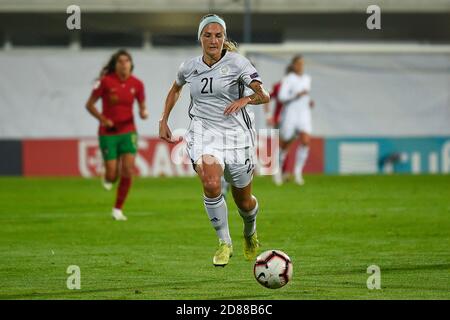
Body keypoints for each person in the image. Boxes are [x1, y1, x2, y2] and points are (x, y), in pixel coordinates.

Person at [159, 14, 270, 267]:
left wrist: (246, 99)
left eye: (218, 35)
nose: (213, 40)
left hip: (236, 136)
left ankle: (250, 231)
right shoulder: (189, 67)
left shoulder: (238, 63)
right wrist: (163, 119)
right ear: (200, 38)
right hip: (203, 134)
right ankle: (224, 242)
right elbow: (176, 88)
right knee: (211, 183)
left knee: (244, 201)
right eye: (207, 35)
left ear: (224, 38)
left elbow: (264, 95)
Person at [85, 49, 148, 221]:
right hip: (108, 133)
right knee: (112, 174)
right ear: (115, 64)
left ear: (131, 64)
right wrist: (103, 119)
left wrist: (143, 111)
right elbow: (89, 105)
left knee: (128, 169)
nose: (124, 64)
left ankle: (117, 209)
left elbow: (142, 105)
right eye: (120, 61)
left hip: (128, 131)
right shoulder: (105, 82)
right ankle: (108, 177)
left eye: (127, 61)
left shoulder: (137, 84)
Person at [274, 55, 315, 186]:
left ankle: (298, 173)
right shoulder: (288, 79)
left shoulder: (307, 79)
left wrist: (308, 101)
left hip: (304, 115)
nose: (300, 66)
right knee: (285, 144)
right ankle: (278, 171)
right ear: (293, 65)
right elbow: (281, 97)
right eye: (298, 64)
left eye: (302, 64)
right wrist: (295, 95)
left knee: (305, 141)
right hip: (290, 114)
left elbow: (305, 96)